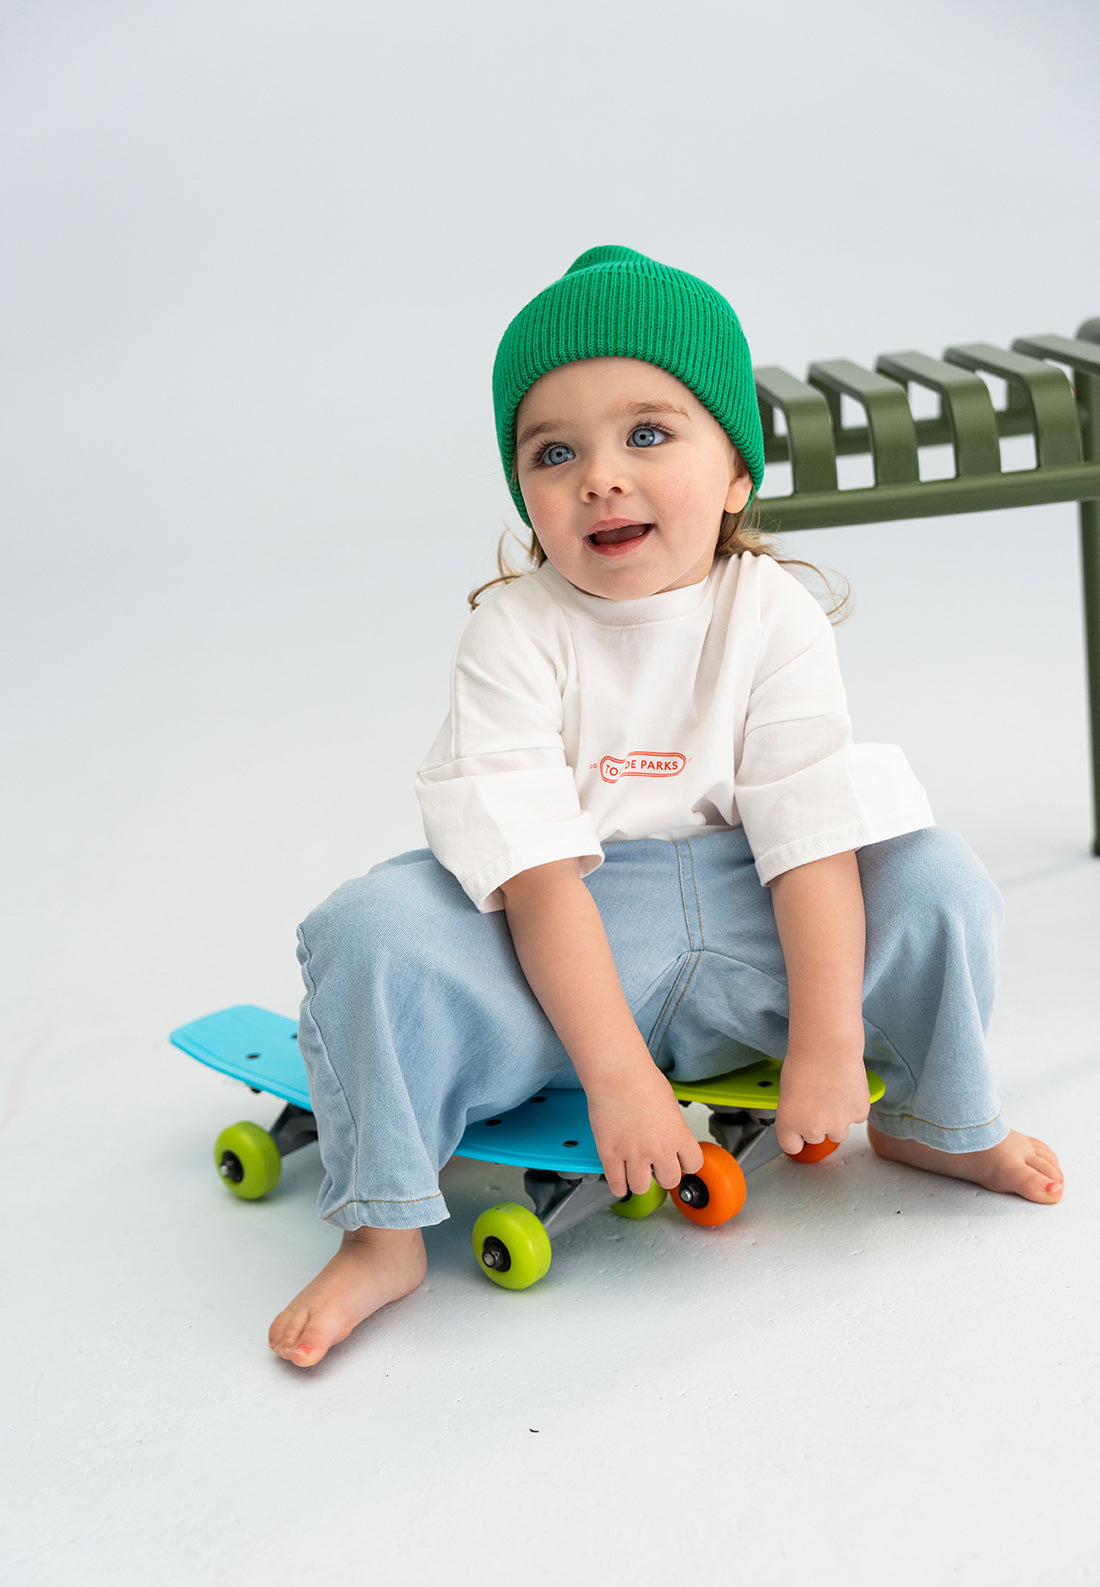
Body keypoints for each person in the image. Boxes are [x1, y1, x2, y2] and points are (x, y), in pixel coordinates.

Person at [269, 246, 1063, 1367]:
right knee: (370, 927)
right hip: (573, 935)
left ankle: (933, 1119)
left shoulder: (768, 612)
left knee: (934, 873)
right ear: (527, 496)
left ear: (735, 473)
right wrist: (620, 1083)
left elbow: (806, 837)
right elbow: (536, 873)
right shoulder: (513, 632)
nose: (600, 475)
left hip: (757, 913)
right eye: (555, 452)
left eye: (647, 433)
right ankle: (383, 1225)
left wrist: (830, 1036)